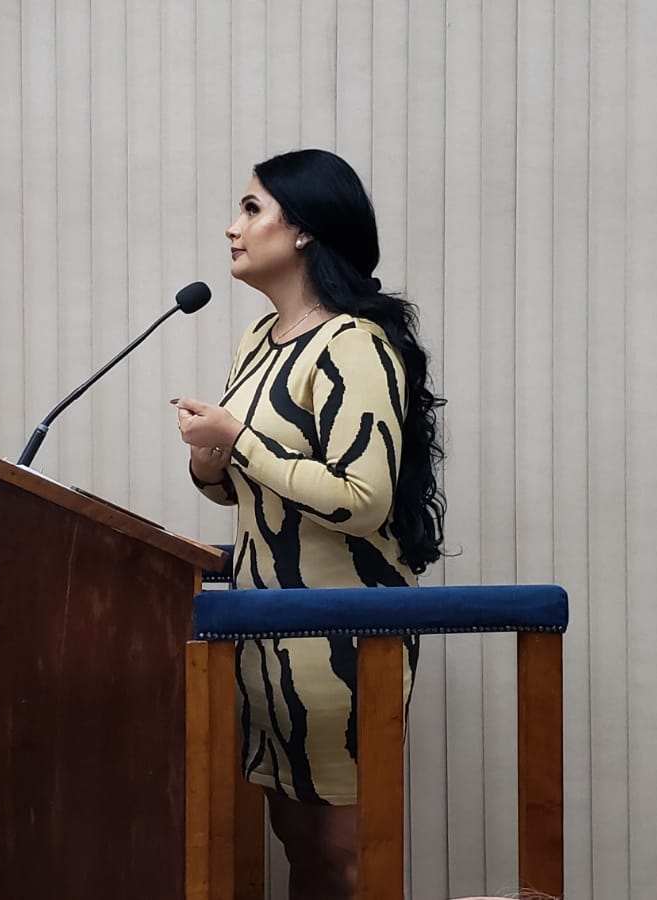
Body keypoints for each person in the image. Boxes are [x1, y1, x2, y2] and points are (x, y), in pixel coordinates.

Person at [172, 148, 447, 900]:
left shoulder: (355, 345)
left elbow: (362, 498)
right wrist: (208, 462)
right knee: (299, 845)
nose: (232, 228)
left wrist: (238, 439)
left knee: (343, 855)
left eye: (251, 208)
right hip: (264, 634)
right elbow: (248, 491)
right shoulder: (256, 342)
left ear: (302, 230)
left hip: (341, 639)